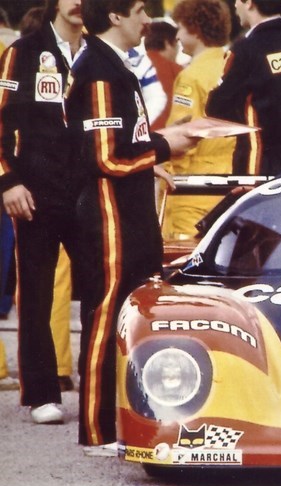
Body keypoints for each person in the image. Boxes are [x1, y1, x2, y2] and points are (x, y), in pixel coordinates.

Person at [66, 0, 197, 454]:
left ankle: (128, 419)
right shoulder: (99, 71)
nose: (147, 20)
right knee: (107, 315)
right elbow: (104, 156)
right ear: (115, 16)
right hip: (110, 217)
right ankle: (97, 429)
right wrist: (165, 147)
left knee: (133, 314)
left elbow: (125, 143)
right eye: (140, 10)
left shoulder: (113, 65)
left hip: (130, 211)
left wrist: (151, 156)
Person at [0, 0, 88, 422]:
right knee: (36, 292)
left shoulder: (102, 52)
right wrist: (8, 180)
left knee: (102, 287)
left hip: (89, 190)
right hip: (35, 190)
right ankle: (41, 393)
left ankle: (101, 388)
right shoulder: (24, 51)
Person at [206, 0, 281, 176]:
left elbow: (217, 108)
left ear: (249, 3)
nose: (235, 5)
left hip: (259, 167)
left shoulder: (246, 49)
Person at [160, 0, 235, 240]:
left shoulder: (191, 77)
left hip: (191, 192)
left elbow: (182, 137)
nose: (178, 36)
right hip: (230, 184)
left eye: (181, 28)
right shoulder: (233, 67)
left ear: (195, 29)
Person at [144, 19, 182, 130]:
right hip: (166, 134)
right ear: (168, 43)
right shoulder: (176, 70)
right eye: (176, 44)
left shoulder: (132, 66)